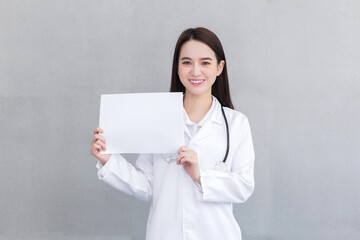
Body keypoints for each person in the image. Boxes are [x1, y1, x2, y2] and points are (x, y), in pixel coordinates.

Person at [90, 27, 255, 240]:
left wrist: (199, 175)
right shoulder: (158, 118)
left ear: (219, 67)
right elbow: (147, 186)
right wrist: (109, 160)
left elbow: (243, 186)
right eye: (187, 62)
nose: (195, 71)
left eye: (205, 63)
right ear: (177, 67)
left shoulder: (236, 124)